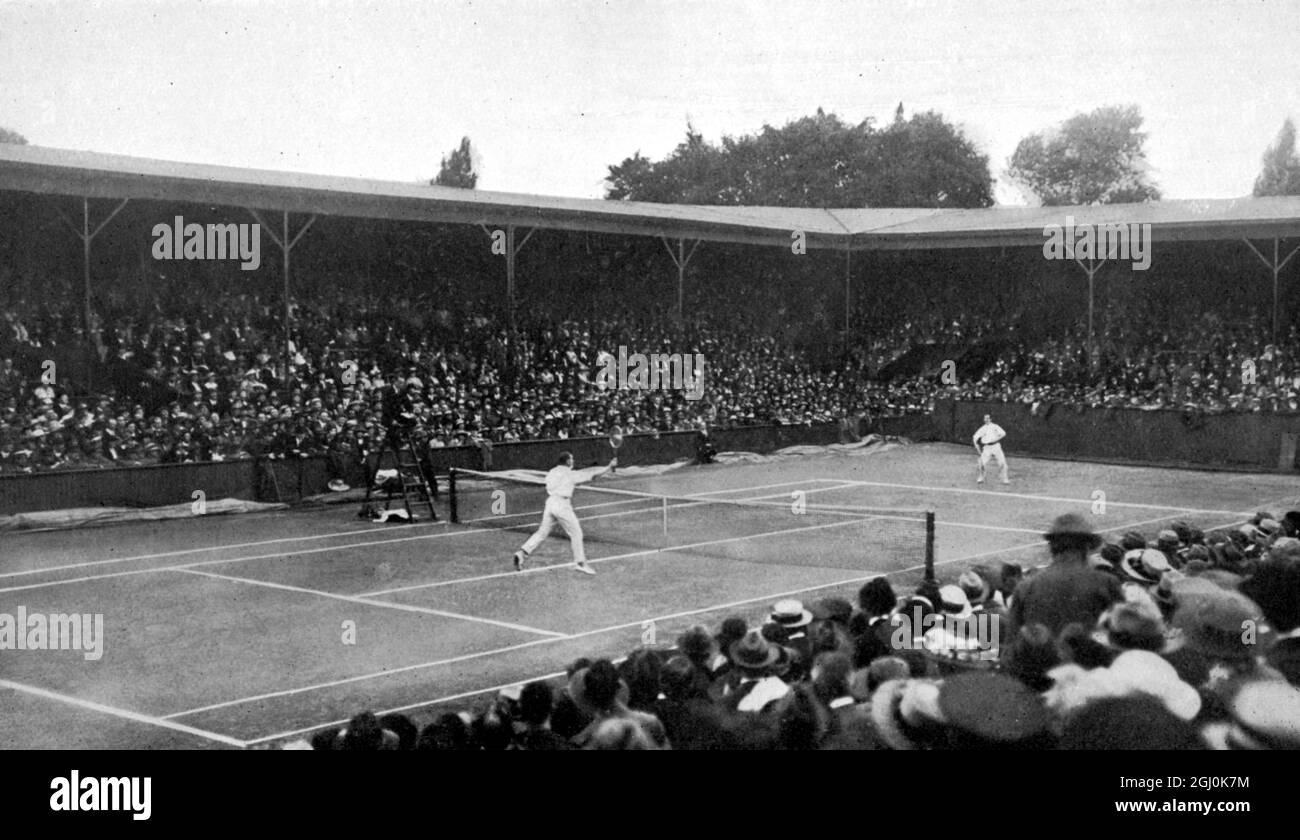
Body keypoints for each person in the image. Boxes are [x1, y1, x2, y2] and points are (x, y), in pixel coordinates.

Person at [512, 451, 615, 575]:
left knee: (542, 532)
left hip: (550, 503)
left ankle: (522, 553)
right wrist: (609, 467)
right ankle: (580, 563)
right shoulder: (569, 474)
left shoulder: (551, 472)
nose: (573, 461)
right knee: (576, 533)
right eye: (572, 459)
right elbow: (592, 475)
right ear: (567, 461)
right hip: (562, 505)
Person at [972, 413, 1009, 485]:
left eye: (988, 418)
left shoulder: (995, 426)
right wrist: (978, 449)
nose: (986, 420)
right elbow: (975, 438)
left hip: (996, 446)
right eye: (985, 418)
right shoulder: (982, 428)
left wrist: (996, 439)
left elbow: (1003, 433)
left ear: (991, 419)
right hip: (987, 448)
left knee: (1002, 462)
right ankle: (981, 477)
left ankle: (1005, 478)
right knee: (981, 463)